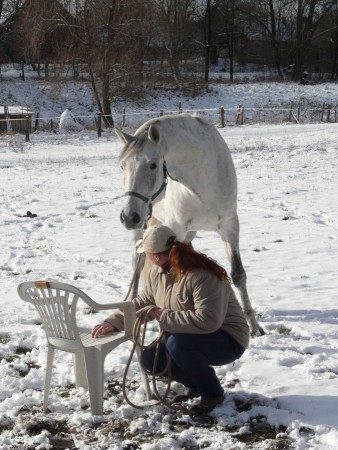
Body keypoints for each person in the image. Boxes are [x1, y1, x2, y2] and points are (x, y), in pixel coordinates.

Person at [92, 224, 250, 414]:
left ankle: (213, 393)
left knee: (177, 344)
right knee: (150, 359)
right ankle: (198, 384)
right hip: (189, 335)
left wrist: (166, 317)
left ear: (156, 256)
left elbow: (209, 320)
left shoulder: (201, 275)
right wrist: (113, 322)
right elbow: (143, 302)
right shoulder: (158, 272)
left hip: (228, 339)